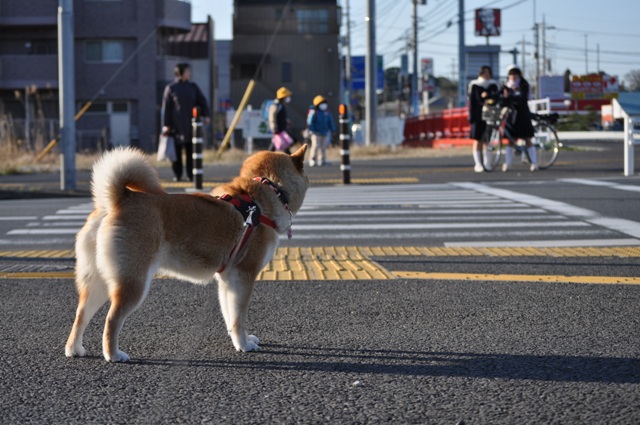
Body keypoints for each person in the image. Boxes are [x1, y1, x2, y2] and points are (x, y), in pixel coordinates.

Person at [161, 63, 210, 181]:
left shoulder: (193, 87)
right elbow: (166, 108)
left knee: (191, 152)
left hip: (191, 125)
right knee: (176, 153)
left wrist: (206, 115)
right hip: (175, 126)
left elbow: (202, 101)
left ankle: (190, 175)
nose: (189, 73)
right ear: (180, 73)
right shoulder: (171, 88)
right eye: (187, 71)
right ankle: (177, 175)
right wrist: (165, 125)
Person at [502, 64, 538, 172]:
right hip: (511, 115)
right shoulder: (505, 86)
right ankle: (507, 164)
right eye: (511, 74)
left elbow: (523, 98)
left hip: (522, 115)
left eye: (515, 73)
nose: (513, 76)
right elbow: (503, 99)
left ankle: (534, 163)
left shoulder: (524, 85)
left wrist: (510, 96)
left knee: (527, 138)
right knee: (510, 140)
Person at [468, 65, 498, 172]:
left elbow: (497, 98)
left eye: (488, 72)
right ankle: (478, 164)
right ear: (480, 73)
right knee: (477, 140)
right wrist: (471, 117)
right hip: (477, 116)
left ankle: (488, 163)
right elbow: (472, 103)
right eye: (484, 72)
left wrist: (489, 95)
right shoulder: (474, 85)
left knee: (488, 141)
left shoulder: (493, 85)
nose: (486, 74)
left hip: (490, 116)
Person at [307, 95, 335, 167]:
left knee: (323, 146)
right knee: (315, 146)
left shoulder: (327, 112)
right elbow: (310, 122)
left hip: (324, 132)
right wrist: (311, 130)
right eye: (322, 103)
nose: (324, 105)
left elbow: (330, 122)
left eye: (324, 103)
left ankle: (322, 159)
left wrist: (333, 130)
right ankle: (313, 159)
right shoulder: (314, 112)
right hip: (315, 133)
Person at [268, 87, 294, 153]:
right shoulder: (276, 105)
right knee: (277, 145)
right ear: (283, 97)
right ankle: (292, 159)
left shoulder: (281, 105)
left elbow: (282, 117)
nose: (288, 98)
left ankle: (291, 159)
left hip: (281, 129)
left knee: (283, 145)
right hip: (278, 129)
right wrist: (274, 127)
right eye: (287, 96)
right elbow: (272, 117)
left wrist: (287, 121)